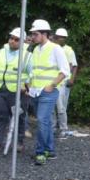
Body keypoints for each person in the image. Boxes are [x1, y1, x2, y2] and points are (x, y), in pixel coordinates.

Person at [0, 28, 31, 154]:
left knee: (19, 117)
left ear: (23, 41)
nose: (12, 41)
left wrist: (27, 87)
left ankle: (19, 142)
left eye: (16, 39)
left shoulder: (27, 56)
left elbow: (32, 73)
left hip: (18, 92)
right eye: (11, 38)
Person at [28, 19, 70, 165]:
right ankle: (50, 150)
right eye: (32, 34)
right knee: (44, 121)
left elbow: (65, 71)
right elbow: (34, 71)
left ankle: (40, 153)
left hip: (48, 91)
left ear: (44, 34)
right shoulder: (35, 49)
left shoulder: (55, 48)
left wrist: (52, 85)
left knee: (41, 121)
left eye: (35, 34)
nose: (32, 37)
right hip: (35, 92)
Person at [52, 28, 78, 138]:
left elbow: (74, 65)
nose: (60, 39)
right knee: (52, 107)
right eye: (59, 37)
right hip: (52, 81)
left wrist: (71, 79)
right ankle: (52, 128)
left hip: (63, 82)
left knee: (61, 107)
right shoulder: (51, 48)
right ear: (55, 37)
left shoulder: (69, 50)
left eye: (63, 38)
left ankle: (63, 128)